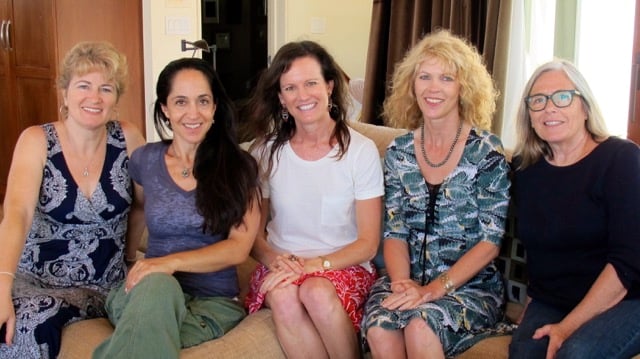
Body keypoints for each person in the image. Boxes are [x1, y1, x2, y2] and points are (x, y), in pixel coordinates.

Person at [92, 57, 262, 358]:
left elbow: (238, 248)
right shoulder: (145, 160)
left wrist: (166, 263)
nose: (193, 113)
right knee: (158, 288)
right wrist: (132, 261)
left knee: (145, 327)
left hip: (212, 304)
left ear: (214, 108)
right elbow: (140, 209)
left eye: (203, 101)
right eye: (181, 102)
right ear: (165, 109)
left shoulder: (239, 167)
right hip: (145, 292)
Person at [361, 29, 511, 358]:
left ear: (463, 88)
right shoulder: (399, 152)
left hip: (469, 286)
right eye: (424, 76)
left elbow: (489, 243)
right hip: (406, 277)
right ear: (411, 86)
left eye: (446, 78)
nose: (433, 88)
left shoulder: (486, 152)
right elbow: (395, 229)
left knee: (420, 325)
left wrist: (431, 291)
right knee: (380, 326)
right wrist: (402, 284)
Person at [0, 41, 146, 358]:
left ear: (116, 99)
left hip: (102, 283)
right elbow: (16, 213)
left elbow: (143, 204)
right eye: (83, 86)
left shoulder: (129, 137)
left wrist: (132, 256)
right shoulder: (36, 140)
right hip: (34, 277)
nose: (94, 98)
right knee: (14, 321)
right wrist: (1, 286)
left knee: (34, 320)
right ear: (64, 93)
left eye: (106, 89)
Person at [243, 40, 383, 358]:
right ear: (280, 98)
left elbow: (368, 244)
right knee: (282, 294)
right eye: (290, 88)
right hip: (283, 264)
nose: (303, 96)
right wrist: (277, 261)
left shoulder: (360, 152)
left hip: (343, 264)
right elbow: (255, 234)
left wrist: (314, 266)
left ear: (329, 86)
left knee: (316, 291)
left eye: (311, 83)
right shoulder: (264, 152)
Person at [508, 59, 640, 359]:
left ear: (585, 106)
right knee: (524, 351)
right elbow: (538, 251)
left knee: (575, 353)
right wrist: (531, 305)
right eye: (538, 100)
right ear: (528, 113)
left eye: (563, 97)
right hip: (553, 299)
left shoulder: (621, 159)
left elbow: (628, 263)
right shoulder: (525, 169)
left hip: (628, 298)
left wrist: (567, 327)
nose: (549, 108)